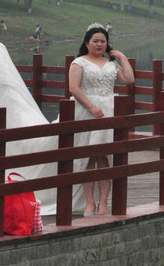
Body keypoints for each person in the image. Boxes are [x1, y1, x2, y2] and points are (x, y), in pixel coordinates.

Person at [68, 23, 134, 215]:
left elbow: (129, 79)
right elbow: (74, 88)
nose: (99, 44)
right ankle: (89, 203)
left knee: (105, 157)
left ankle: (103, 202)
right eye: (95, 41)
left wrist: (120, 57)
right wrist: (91, 107)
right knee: (88, 157)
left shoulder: (112, 64)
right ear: (87, 43)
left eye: (103, 41)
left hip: (109, 110)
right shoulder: (79, 63)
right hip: (86, 110)